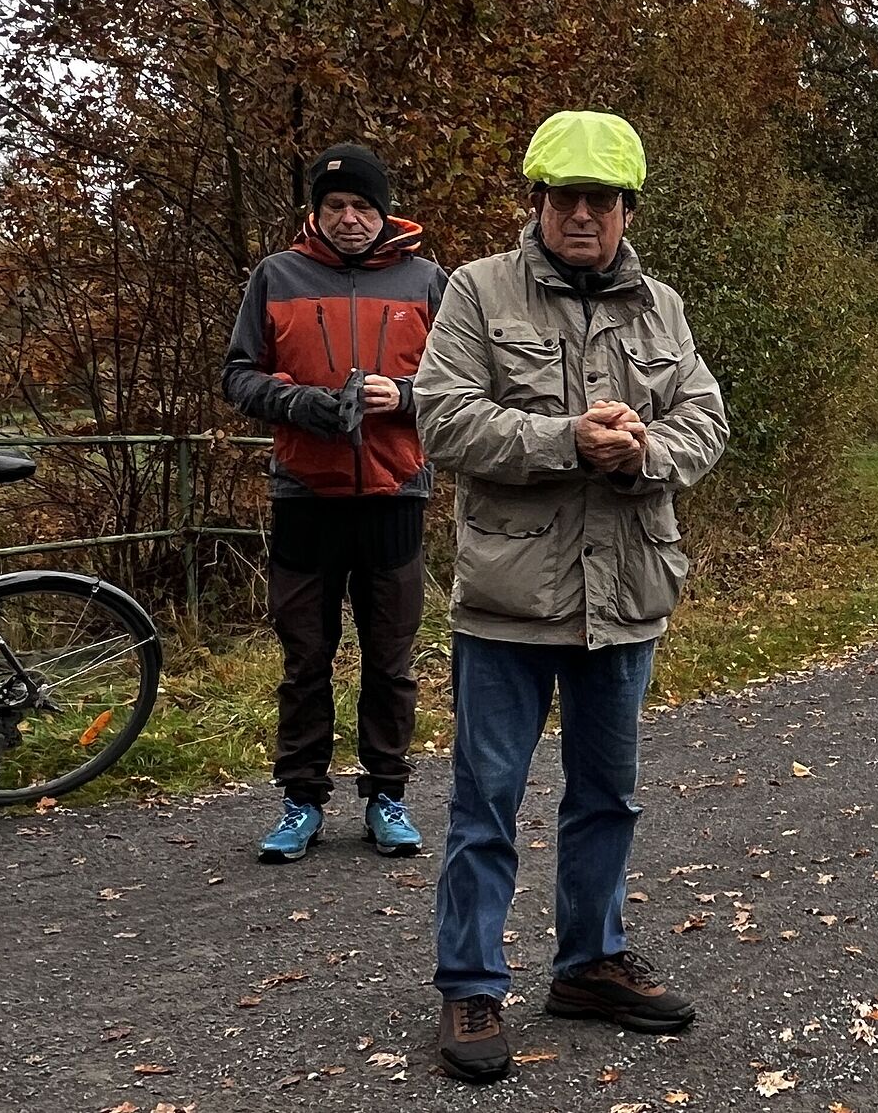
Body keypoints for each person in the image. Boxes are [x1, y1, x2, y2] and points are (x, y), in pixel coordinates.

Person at [415, 110, 729, 1084]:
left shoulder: (661, 307)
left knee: (609, 796)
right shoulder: (477, 290)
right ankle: (472, 984)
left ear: (628, 208)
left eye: (602, 199)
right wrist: (567, 442)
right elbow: (442, 415)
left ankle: (590, 965)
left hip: (626, 593)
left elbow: (705, 418)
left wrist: (645, 456)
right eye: (566, 197)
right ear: (537, 201)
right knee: (487, 803)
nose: (583, 215)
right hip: (509, 602)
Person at [223, 143, 446, 863]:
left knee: (390, 660)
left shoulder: (427, 281)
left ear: (385, 212)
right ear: (315, 213)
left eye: (362, 206)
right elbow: (237, 376)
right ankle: (300, 801)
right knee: (305, 659)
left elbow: (466, 386)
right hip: (305, 496)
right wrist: (301, 403)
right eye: (335, 206)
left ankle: (387, 794)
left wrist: (405, 396)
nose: (350, 219)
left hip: (394, 493)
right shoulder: (276, 276)